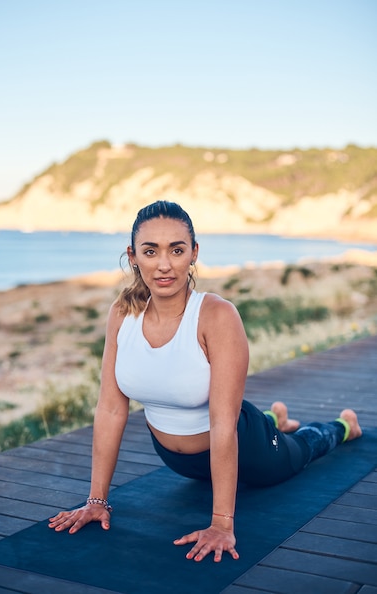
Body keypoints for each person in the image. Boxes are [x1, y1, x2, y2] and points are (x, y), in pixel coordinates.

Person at [49, 200, 362, 563]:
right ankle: (276, 419)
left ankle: (341, 426)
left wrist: (221, 524)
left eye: (176, 250)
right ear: (133, 256)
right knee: (238, 419)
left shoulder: (216, 315)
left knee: (299, 453)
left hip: (245, 443)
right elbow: (110, 408)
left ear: (193, 254)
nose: (164, 264)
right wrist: (96, 501)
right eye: (151, 251)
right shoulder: (123, 312)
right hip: (176, 459)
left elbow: (222, 423)